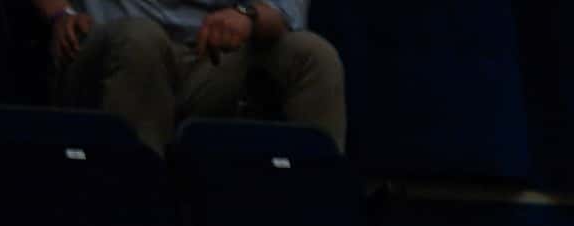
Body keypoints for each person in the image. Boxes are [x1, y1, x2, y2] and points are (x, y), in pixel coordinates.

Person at [35, 0, 345, 154]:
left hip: (209, 54)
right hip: (111, 43)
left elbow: (283, 10)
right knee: (140, 40)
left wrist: (246, 16)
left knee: (312, 55)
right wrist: (61, 14)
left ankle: (320, 220)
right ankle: (138, 213)